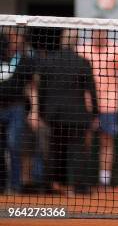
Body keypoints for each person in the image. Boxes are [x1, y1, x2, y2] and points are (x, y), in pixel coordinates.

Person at [29, 29, 97, 195]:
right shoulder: (83, 62)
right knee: (78, 152)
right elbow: (92, 91)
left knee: (53, 151)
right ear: (76, 41)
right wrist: (95, 114)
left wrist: (41, 113)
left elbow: (41, 89)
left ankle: (48, 186)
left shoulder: (48, 62)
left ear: (61, 40)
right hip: (77, 115)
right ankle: (80, 187)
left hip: (54, 115)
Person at [77, 29, 118, 188]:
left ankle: (104, 181)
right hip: (86, 105)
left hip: (109, 104)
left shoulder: (116, 50)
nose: (99, 35)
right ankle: (82, 180)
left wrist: (113, 89)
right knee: (84, 142)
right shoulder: (82, 50)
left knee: (107, 142)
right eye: (96, 32)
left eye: (102, 32)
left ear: (106, 33)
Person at [0, 28, 34, 194]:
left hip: (16, 108)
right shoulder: (1, 56)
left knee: (14, 145)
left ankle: (15, 185)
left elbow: (32, 86)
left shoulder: (26, 60)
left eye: (16, 36)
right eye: (10, 36)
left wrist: (34, 112)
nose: (12, 39)